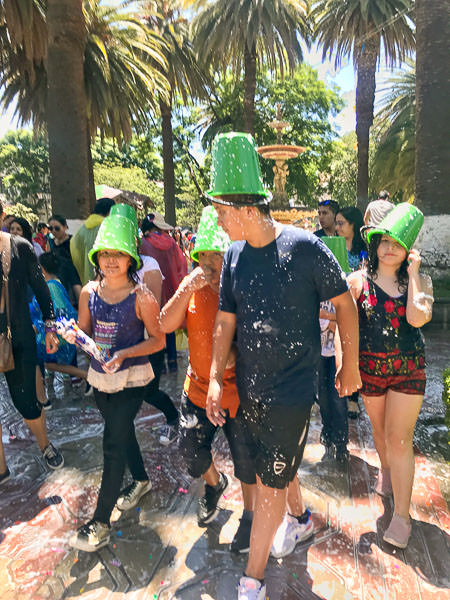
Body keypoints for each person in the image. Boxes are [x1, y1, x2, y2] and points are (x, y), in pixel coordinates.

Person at [205, 133, 361, 600]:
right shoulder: (233, 256)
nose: (217, 219)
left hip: (294, 390)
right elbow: (225, 321)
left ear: (248, 210)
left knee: (270, 482)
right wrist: (215, 378)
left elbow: (346, 305)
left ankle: (252, 581)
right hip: (252, 386)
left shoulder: (306, 248)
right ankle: (301, 520)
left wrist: (349, 366)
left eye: (221, 210)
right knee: (280, 465)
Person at [66, 211, 165, 552]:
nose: (110, 261)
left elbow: (159, 340)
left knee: (111, 444)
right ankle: (140, 479)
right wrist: (68, 334)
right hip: (99, 379)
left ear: (130, 259)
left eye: (117, 254)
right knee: (121, 434)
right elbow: (84, 329)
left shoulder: (143, 298)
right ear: (96, 258)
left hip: (132, 380)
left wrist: (124, 354)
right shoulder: (89, 293)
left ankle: (101, 521)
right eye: (104, 254)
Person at [160, 206, 257, 552]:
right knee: (189, 449)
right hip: (198, 388)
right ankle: (214, 485)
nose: (212, 264)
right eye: (205, 256)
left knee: (247, 459)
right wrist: (186, 288)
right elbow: (164, 324)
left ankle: (249, 516)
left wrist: (233, 358)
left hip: (239, 391)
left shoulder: (243, 289)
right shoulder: (193, 287)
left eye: (219, 255)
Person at [348, 203, 433, 549]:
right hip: (371, 372)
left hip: (408, 371)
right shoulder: (358, 281)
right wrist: (346, 366)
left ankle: (401, 515)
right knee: (382, 435)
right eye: (385, 240)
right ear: (376, 241)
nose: (389, 248)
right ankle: (385, 468)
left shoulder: (421, 280)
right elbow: (343, 325)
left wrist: (413, 274)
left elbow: (416, 318)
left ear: (409, 250)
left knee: (400, 439)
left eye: (398, 243)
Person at [0, 201, 64, 474]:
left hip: (19, 338)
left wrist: (50, 327)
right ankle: (1, 470)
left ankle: (45, 445)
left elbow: (41, 288)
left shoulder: (17, 246)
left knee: (25, 401)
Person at [109, 203, 179, 446]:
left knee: (149, 391)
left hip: (148, 341)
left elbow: (153, 306)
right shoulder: (105, 266)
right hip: (119, 342)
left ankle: (173, 418)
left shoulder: (149, 264)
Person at [140, 212, 187, 373]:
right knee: (169, 325)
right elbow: (181, 265)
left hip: (151, 291)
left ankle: (160, 366)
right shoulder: (171, 242)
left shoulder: (143, 243)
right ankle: (173, 362)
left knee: (155, 327)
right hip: (171, 289)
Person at [70, 197, 115, 285]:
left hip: (87, 282)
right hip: (108, 281)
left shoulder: (82, 229)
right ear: (110, 211)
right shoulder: (109, 226)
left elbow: (75, 249)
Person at [47, 214, 82, 305]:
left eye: (57, 228)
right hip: (58, 277)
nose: (54, 231)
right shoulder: (50, 242)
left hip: (73, 275)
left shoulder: (73, 240)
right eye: (51, 228)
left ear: (65, 227)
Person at [335, 207, 366, 272]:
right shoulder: (334, 245)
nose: (336, 228)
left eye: (340, 224)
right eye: (336, 224)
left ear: (353, 224)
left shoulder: (366, 246)